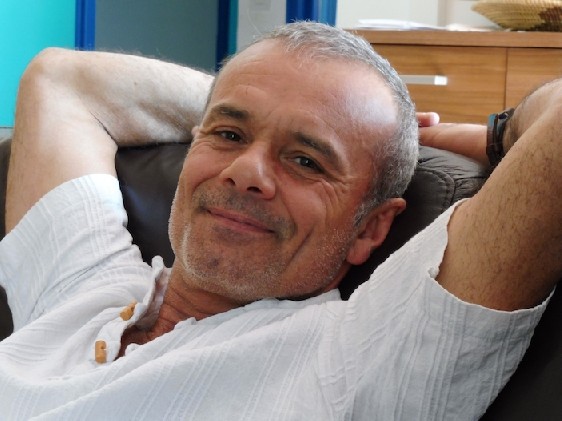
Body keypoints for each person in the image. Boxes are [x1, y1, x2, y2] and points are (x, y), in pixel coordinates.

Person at [0, 21, 559, 419]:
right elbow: (60, 81)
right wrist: (280, 103)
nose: (245, 172)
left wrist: (489, 134)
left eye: (306, 160)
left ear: (370, 229)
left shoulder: (357, 359)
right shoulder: (88, 283)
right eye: (228, 134)